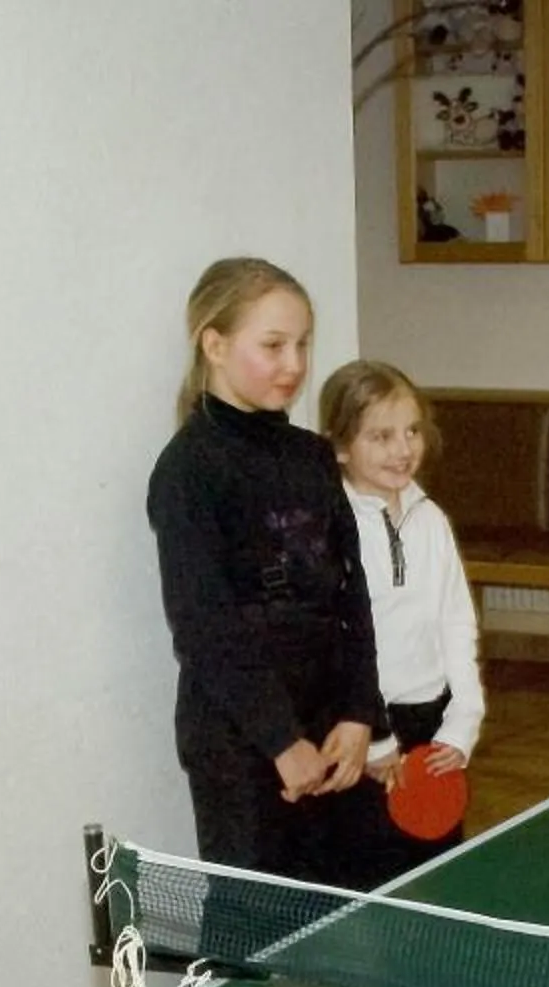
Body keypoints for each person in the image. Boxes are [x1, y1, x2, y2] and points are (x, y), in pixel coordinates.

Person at [146, 257, 392, 888]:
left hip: (333, 735)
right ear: (215, 344)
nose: (294, 365)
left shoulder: (311, 456)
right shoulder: (189, 471)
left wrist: (358, 713)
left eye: (303, 344)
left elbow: (350, 597)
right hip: (242, 745)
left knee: (348, 917)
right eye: (273, 345)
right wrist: (282, 742)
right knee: (255, 937)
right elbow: (204, 628)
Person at [322, 358, 487, 874]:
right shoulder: (335, 526)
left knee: (436, 872)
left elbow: (456, 622)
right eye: (382, 436)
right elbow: (340, 641)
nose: (403, 449)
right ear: (342, 446)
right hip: (365, 729)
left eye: (412, 430)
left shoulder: (430, 519)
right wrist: (375, 737)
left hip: (431, 722)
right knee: (372, 876)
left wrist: (463, 719)